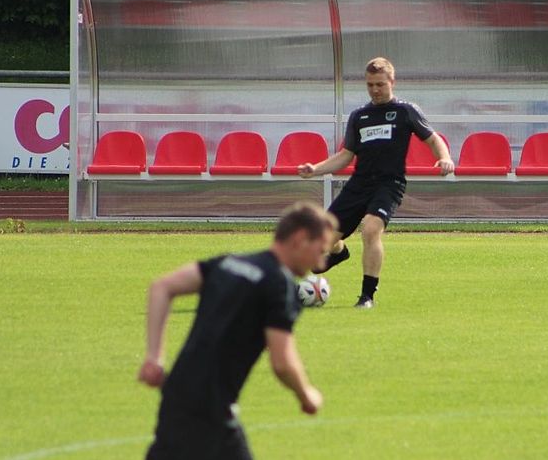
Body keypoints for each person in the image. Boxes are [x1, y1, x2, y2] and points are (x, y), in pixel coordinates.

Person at [138, 202, 336, 459]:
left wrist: (154, 357)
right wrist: (306, 394)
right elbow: (282, 362)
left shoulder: (229, 262)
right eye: (320, 251)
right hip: (211, 406)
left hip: (177, 390)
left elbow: (162, 287)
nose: (320, 261)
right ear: (300, 239)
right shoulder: (279, 285)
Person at [298, 57, 454, 308]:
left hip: (389, 184)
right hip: (358, 184)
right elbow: (346, 155)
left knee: (370, 230)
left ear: (392, 82)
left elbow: (434, 139)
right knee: (317, 254)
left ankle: (367, 296)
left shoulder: (405, 111)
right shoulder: (359, 116)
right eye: (370, 85)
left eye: (380, 84)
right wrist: (315, 169)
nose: (375, 90)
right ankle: (339, 251)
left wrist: (445, 158)